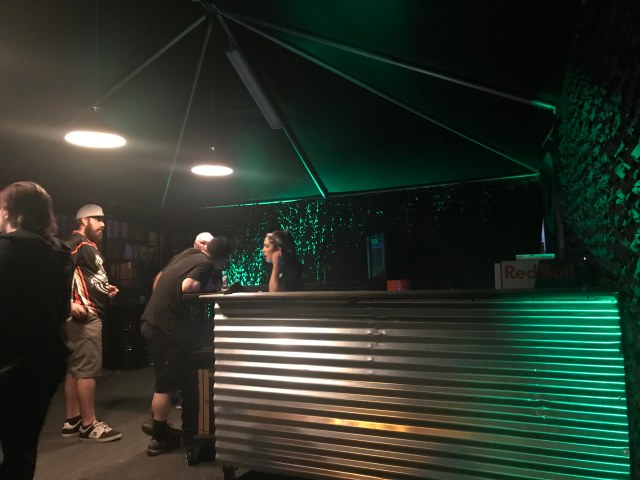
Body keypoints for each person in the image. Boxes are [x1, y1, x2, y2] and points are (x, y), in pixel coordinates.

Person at [0, 181, 72, 479]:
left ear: (9, 211)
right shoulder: (58, 254)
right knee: (21, 449)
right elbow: (63, 311)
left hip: (6, 363)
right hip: (43, 365)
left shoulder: (4, 250)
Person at [141, 235, 232, 456]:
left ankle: (160, 424)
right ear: (221, 258)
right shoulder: (206, 263)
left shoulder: (186, 254)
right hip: (164, 327)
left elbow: (160, 278)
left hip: (151, 321)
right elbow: (188, 286)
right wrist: (208, 286)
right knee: (165, 385)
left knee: (171, 376)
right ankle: (158, 438)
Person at [61, 204, 121, 442]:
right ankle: (89, 425)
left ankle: (73, 419)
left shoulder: (89, 246)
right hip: (85, 316)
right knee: (87, 370)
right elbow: (57, 271)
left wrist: (106, 289)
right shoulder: (76, 242)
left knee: (75, 369)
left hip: (88, 311)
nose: (103, 224)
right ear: (84, 220)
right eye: (98, 219)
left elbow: (86, 278)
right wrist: (68, 303)